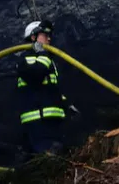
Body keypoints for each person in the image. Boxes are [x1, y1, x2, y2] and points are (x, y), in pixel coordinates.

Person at [17, 20, 76, 154]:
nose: (49, 38)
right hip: (38, 122)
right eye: (45, 35)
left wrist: (66, 104)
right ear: (33, 37)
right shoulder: (24, 59)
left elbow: (50, 89)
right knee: (47, 157)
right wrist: (43, 54)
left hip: (52, 121)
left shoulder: (48, 60)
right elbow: (35, 75)